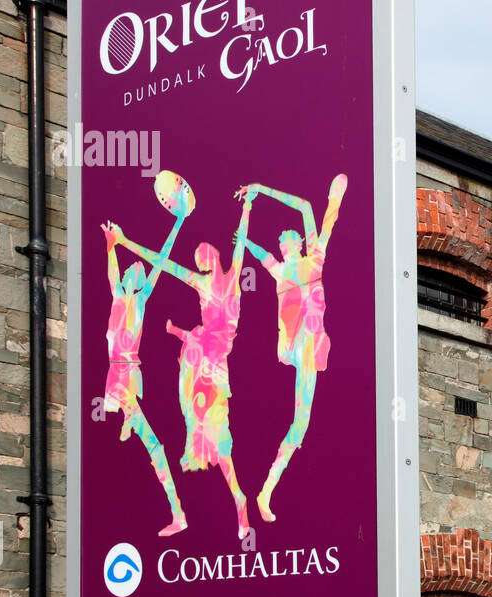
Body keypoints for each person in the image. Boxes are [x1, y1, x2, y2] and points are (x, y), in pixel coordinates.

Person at [116, 198, 256, 540]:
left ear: (216, 254)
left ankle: (239, 500)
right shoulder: (200, 282)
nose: (201, 256)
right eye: (198, 257)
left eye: (204, 252)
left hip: (215, 365)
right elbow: (161, 262)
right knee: (199, 427)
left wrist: (247, 207)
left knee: (220, 438)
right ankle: (219, 502)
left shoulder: (232, 277)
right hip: (199, 365)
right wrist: (123, 242)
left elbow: (241, 242)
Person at [234, 173, 348, 522]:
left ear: (298, 241)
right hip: (297, 345)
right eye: (280, 238)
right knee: (299, 422)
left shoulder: (314, 256)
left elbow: (305, 207)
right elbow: (257, 252)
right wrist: (245, 238)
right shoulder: (281, 271)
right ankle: (265, 491)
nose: (284, 238)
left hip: (311, 346)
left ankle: (266, 490)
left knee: (300, 424)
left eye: (289, 235)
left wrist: (261, 188)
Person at [100, 219, 186, 536]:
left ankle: (179, 514)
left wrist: (177, 221)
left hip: (126, 373)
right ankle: (127, 418)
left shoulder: (139, 299)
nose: (134, 269)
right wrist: (112, 245)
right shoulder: (118, 297)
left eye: (138, 270)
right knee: (143, 436)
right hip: (117, 373)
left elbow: (161, 260)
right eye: (131, 268)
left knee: (154, 447)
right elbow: (112, 267)